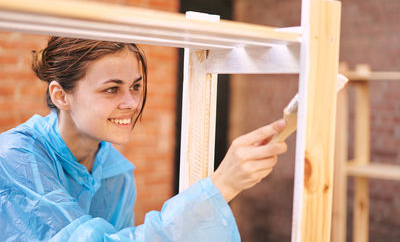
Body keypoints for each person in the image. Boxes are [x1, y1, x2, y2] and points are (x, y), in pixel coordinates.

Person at [0, 37, 287, 241]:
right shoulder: (15, 158)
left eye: (135, 87)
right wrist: (221, 185)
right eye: (112, 89)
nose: (131, 102)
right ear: (61, 96)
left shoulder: (116, 171)